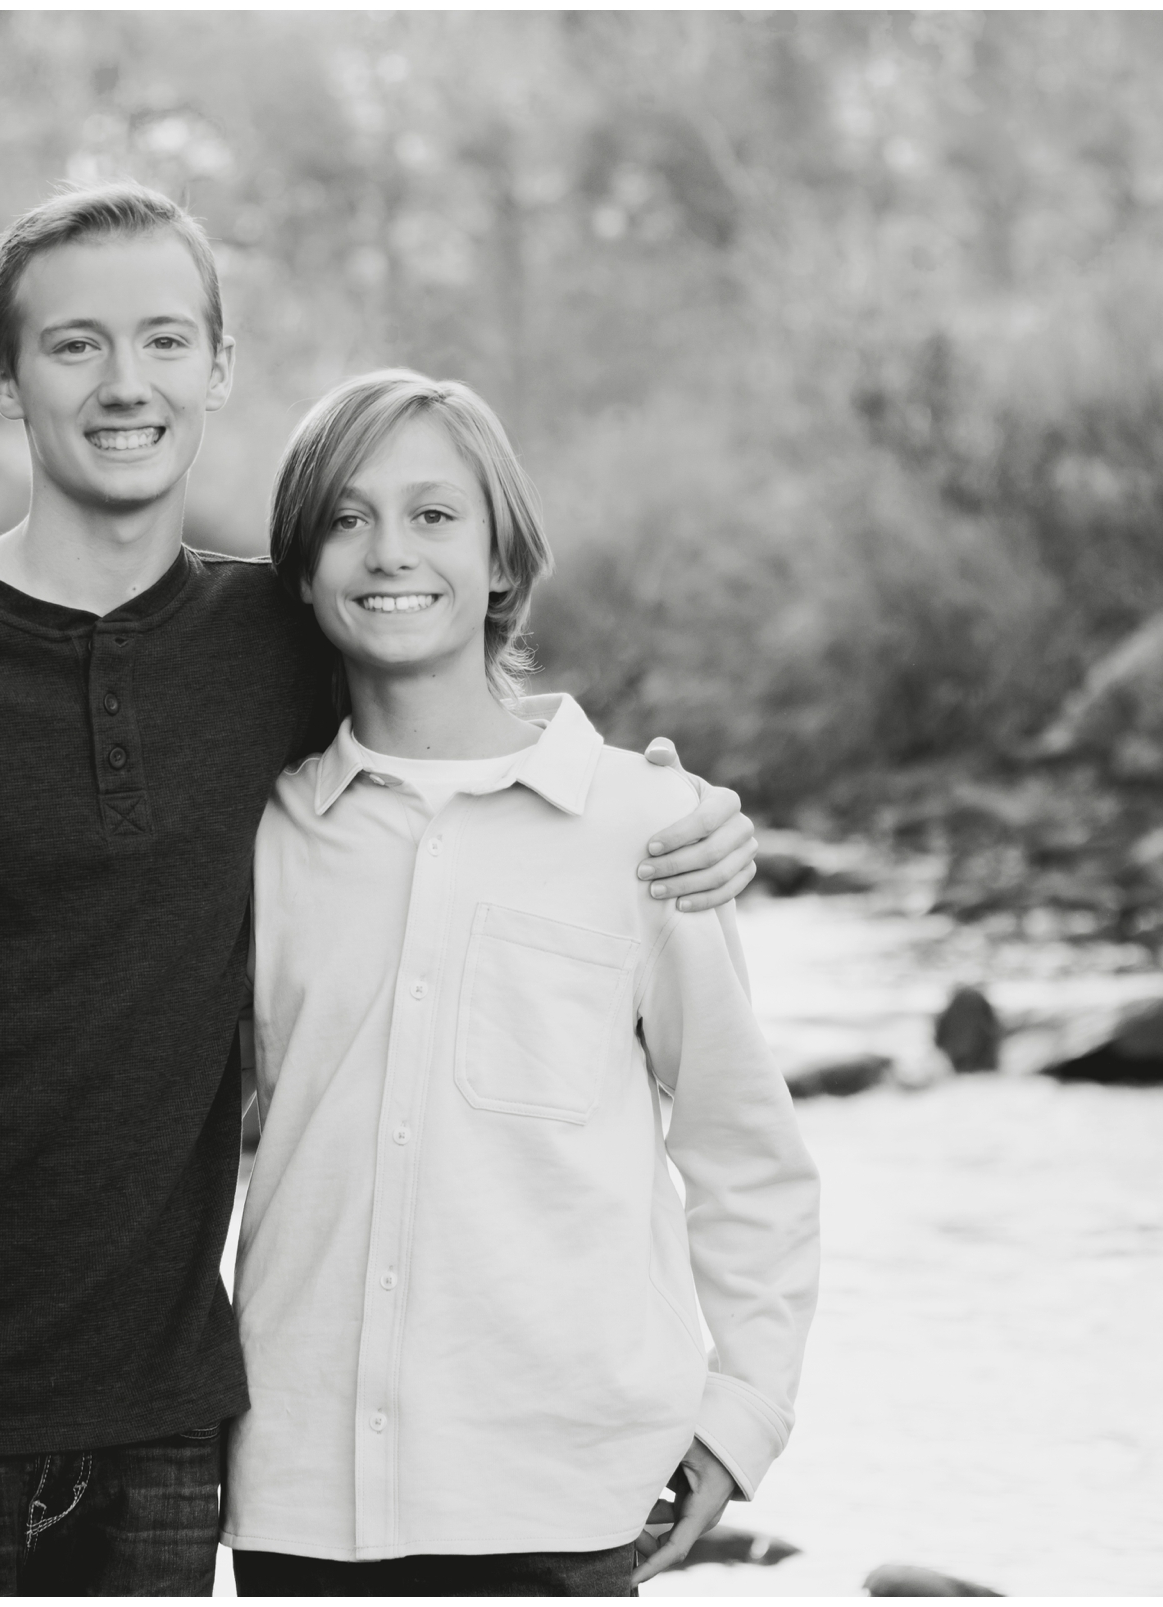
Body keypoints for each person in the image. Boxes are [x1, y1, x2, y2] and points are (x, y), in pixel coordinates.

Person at [0, 182, 760, 1599]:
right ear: (2, 380)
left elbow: (462, 717)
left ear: (218, 365)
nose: (126, 384)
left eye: (165, 340)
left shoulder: (278, 636)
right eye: (74, 346)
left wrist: (686, 809)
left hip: (167, 1436)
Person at [221, 370, 820, 1595]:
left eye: (435, 514)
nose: (390, 550)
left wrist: (744, 1408)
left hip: (565, 1493)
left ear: (502, 559)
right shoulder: (261, 840)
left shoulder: (645, 828)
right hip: (302, 1500)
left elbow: (744, 1153)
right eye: (346, 516)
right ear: (299, 568)